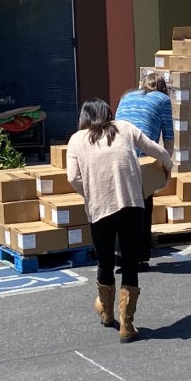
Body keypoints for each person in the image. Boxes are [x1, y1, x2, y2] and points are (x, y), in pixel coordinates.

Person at [66, 98, 173, 343]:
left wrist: (90, 191)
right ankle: (127, 325)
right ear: (109, 113)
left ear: (84, 117)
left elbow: (72, 177)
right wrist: (167, 168)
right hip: (132, 206)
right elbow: (156, 150)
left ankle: (106, 312)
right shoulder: (124, 127)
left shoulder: (76, 140)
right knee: (130, 263)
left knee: (105, 262)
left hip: (100, 208)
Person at [114, 73, 175, 270]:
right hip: (140, 154)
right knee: (143, 202)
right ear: (164, 88)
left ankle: (118, 251)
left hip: (114, 151)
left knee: (121, 203)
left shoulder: (127, 96)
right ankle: (139, 256)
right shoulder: (163, 100)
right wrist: (165, 165)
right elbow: (168, 137)